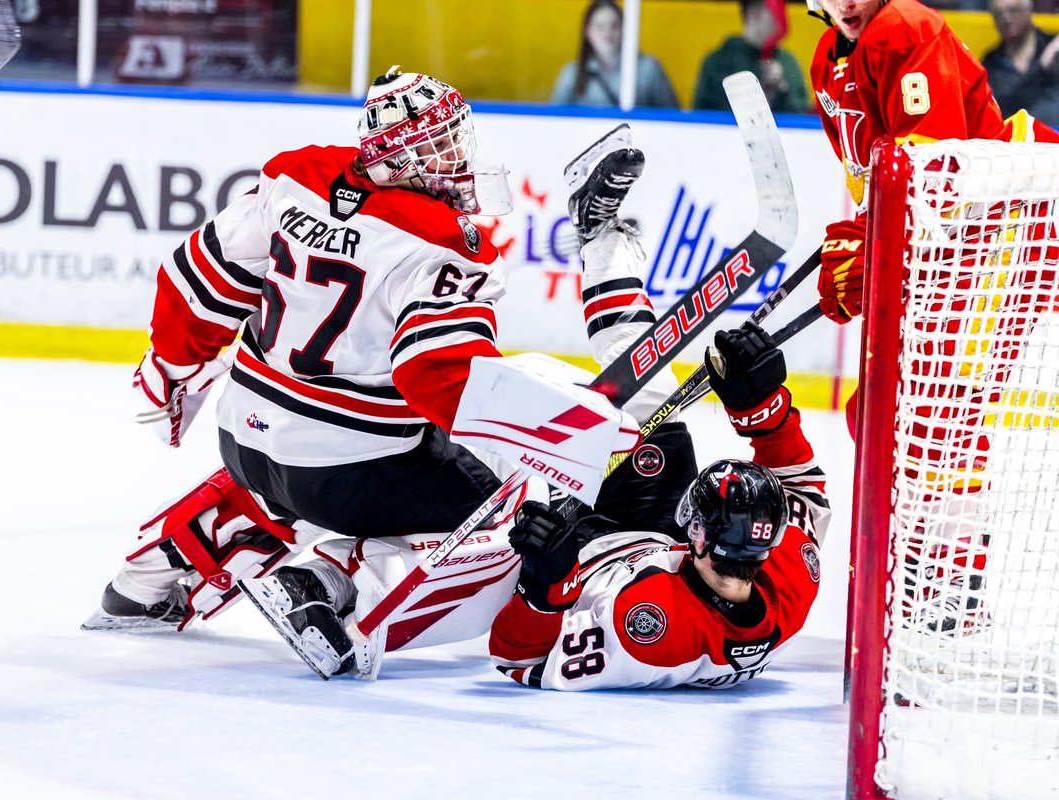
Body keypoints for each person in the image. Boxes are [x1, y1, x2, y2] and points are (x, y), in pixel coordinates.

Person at [81, 69, 655, 678]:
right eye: (442, 147)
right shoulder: (442, 243)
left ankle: (146, 580)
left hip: (242, 439)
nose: (458, 160)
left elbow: (195, 279)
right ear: (400, 159)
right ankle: (329, 582)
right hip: (349, 471)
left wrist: (172, 370)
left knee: (284, 473)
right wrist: (564, 428)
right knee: (520, 520)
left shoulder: (297, 178)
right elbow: (437, 377)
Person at [807, 0, 1059, 633]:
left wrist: (872, 250)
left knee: (940, 406)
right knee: (882, 408)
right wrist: (855, 238)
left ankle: (952, 589)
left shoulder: (905, 28)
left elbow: (939, 173)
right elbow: (880, 181)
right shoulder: (826, 66)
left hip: (1012, 219)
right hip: (963, 237)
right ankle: (922, 568)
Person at [489, 319, 831, 690]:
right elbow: (801, 490)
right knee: (653, 389)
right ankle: (611, 259)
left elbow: (519, 659)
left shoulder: (648, 633)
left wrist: (545, 587)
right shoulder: (790, 577)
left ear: (697, 536)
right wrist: (763, 412)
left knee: (512, 453)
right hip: (650, 534)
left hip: (575, 560)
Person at [552, 0, 679, 109]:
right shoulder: (571, 73)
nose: (607, 33)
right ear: (587, 31)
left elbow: (672, 115)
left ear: (625, 28)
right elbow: (556, 120)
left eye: (614, 25)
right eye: (599, 26)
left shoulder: (649, 68)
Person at [693, 0, 811, 113]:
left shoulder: (787, 62)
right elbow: (703, 113)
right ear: (754, 13)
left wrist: (781, 91)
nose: (780, 20)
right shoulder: (720, 61)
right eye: (775, 12)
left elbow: (802, 115)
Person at [983, 0, 1059, 129]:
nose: (1006, 18)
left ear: (1028, 10)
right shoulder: (991, 63)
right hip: (1017, 142)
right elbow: (1004, 110)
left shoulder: (1054, 48)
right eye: (998, 13)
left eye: (1013, 10)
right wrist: (1041, 68)